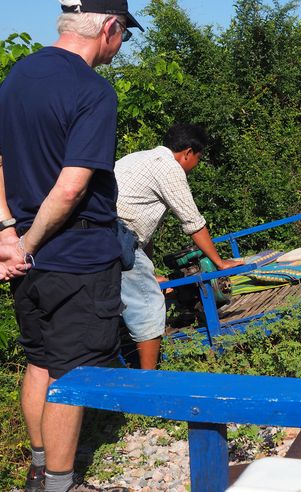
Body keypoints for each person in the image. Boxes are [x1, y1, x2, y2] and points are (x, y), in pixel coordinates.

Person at [0, 1, 143, 491]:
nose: (120, 45)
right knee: (71, 375)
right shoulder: (93, 91)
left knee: (39, 359)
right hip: (76, 259)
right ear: (109, 27)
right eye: (123, 34)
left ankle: (40, 470)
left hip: (26, 262)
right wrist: (29, 243)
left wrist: (8, 236)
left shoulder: (18, 77)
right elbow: (70, 188)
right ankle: (59, 484)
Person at [115, 124, 244, 370]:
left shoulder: (138, 158)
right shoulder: (169, 168)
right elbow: (193, 222)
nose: (195, 165)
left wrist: (150, 273)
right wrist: (220, 262)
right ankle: (149, 381)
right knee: (149, 306)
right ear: (187, 152)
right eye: (198, 158)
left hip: (97, 235)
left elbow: (143, 234)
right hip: (117, 237)